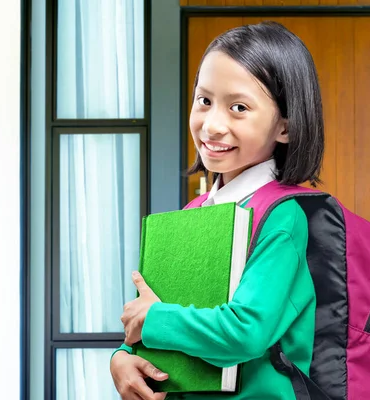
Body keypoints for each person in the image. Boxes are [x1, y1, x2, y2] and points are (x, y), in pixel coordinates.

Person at [110, 21, 324, 400]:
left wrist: (153, 319)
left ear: (285, 127)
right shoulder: (195, 210)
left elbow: (246, 332)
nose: (212, 125)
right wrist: (124, 357)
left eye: (238, 107)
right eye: (204, 100)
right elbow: (156, 314)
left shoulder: (282, 216)